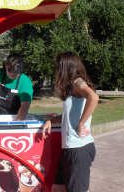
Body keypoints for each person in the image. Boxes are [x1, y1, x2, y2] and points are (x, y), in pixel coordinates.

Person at [42, 52, 99, 192]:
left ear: (66, 67)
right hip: (70, 150)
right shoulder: (71, 88)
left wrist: (81, 123)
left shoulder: (78, 83)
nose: (57, 71)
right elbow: (68, 115)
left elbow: (94, 98)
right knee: (57, 188)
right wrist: (51, 120)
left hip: (78, 150)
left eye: (59, 67)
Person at [0, 53, 33, 120]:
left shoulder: (24, 81)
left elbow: (25, 104)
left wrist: (18, 124)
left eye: (16, 71)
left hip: (15, 119)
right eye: (10, 69)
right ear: (6, 65)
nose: (13, 73)